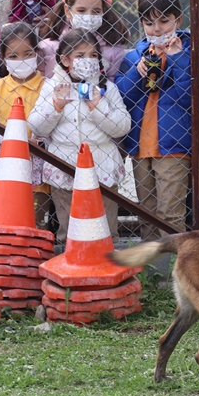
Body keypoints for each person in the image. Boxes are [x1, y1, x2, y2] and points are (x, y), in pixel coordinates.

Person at [30, 28, 131, 242]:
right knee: (69, 230)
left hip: (101, 167)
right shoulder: (51, 87)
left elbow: (122, 126)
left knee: (106, 228)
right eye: (80, 55)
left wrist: (98, 106)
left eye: (93, 55)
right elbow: (37, 127)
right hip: (65, 167)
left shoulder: (106, 88)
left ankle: (108, 268)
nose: (89, 60)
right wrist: (56, 106)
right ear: (66, 60)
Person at [117, 0, 199, 239]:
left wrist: (176, 59)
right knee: (147, 214)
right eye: (150, 23)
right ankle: (151, 273)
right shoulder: (133, 56)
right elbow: (120, 97)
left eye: (164, 21)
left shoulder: (191, 53)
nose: (157, 29)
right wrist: (136, 72)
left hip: (174, 146)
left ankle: (173, 269)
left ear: (178, 20)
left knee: (171, 215)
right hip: (141, 147)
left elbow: (195, 97)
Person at [0, 20, 51, 227]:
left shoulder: (48, 88)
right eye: (13, 56)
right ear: (2, 57)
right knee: (5, 222)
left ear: (37, 52)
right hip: (2, 170)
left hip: (38, 172)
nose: (21, 60)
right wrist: (22, 141)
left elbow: (53, 129)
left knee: (34, 223)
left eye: (27, 53)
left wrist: (39, 143)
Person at [36, 0, 128, 81]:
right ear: (67, 10)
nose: (89, 16)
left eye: (96, 11)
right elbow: (40, 83)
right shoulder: (47, 47)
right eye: (81, 10)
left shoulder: (113, 52)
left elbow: (111, 86)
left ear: (103, 12)